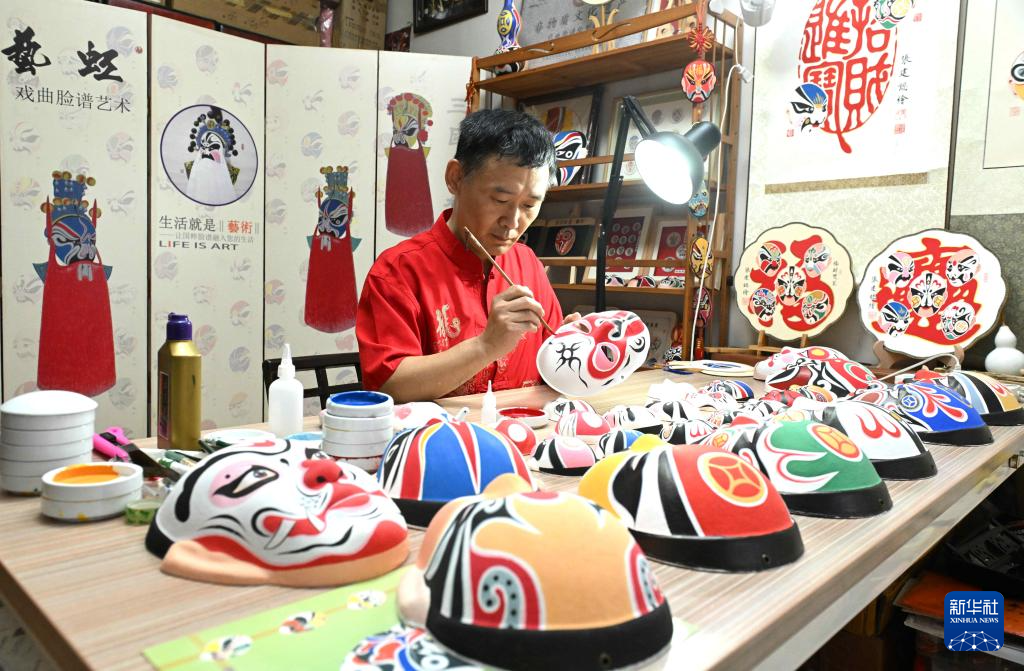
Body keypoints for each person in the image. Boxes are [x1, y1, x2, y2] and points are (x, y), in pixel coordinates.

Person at [357, 109, 579, 402]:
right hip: (438, 432)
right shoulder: (397, 271)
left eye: (529, 205)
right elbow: (388, 385)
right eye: (500, 199)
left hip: (525, 428)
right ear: (456, 178)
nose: (513, 222)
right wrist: (486, 347)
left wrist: (570, 347)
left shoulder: (527, 263)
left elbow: (550, 367)